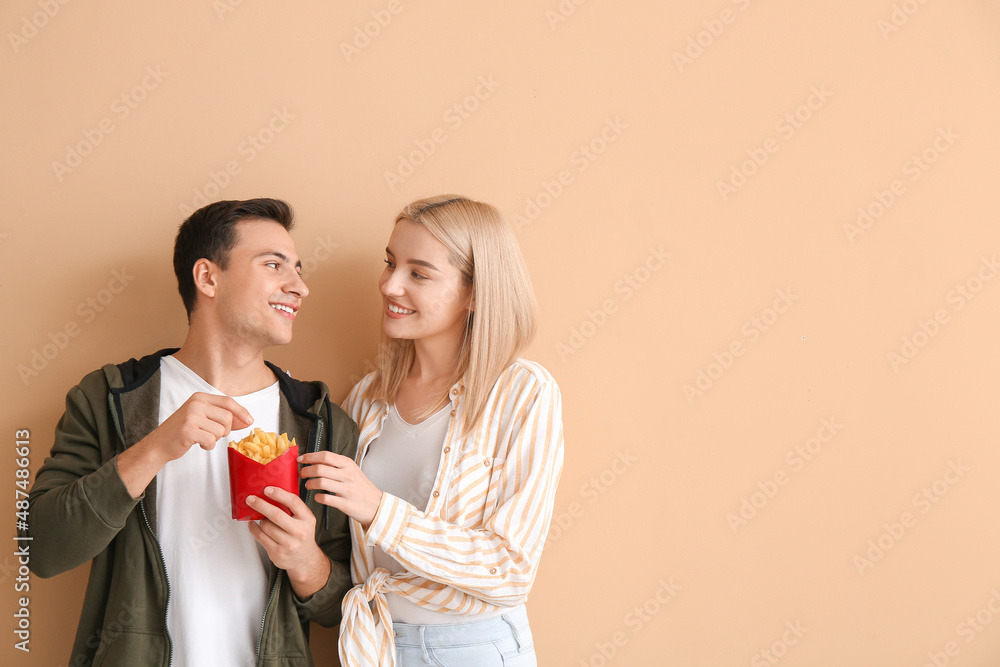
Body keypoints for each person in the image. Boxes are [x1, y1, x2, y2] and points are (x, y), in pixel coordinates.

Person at [21, 199, 357, 667]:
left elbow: (350, 608)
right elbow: (40, 548)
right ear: (208, 278)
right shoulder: (109, 397)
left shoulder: (322, 423)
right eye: (273, 265)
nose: (299, 286)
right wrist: (154, 449)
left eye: (297, 269)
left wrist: (306, 562)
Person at [298, 195, 564, 666]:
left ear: (476, 293)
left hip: (472, 650)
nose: (389, 285)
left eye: (418, 273)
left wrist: (380, 510)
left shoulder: (523, 392)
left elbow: (510, 568)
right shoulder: (366, 397)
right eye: (390, 263)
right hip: (376, 644)